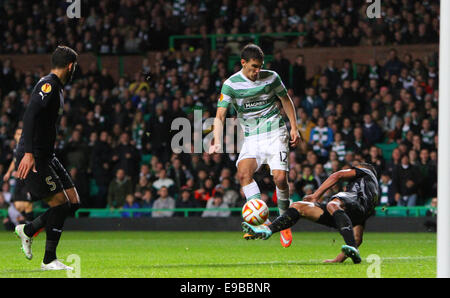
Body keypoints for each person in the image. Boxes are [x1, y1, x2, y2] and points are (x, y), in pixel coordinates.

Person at [209, 44, 301, 248]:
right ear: (243, 63)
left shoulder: (272, 77)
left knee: (279, 177)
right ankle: (262, 220)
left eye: (260, 66)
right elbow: (220, 114)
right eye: (253, 67)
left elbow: (285, 100)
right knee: (243, 174)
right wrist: (216, 139)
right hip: (252, 138)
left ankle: (285, 220)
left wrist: (294, 127)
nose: (257, 71)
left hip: (275, 132)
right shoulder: (230, 84)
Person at [13, 46, 80, 270]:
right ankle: (49, 259)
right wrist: (29, 153)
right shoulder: (48, 85)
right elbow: (30, 114)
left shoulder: (57, 87)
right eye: (75, 67)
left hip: (47, 156)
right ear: (70, 66)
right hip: (35, 156)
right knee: (61, 204)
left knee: (73, 202)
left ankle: (28, 230)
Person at [242, 163, 379, 264]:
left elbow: (338, 175)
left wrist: (316, 195)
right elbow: (357, 237)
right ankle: (268, 229)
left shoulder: (366, 172)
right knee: (299, 206)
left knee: (333, 204)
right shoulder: (371, 196)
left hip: (344, 206)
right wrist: (338, 260)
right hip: (350, 214)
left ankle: (351, 246)